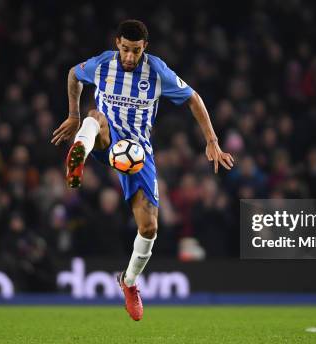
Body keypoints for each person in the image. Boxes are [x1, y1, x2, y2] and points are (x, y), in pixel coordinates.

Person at [51, 19, 234, 321]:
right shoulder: (102, 65)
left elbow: (193, 99)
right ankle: (79, 156)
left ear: (144, 47)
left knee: (149, 228)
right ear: (117, 44)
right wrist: (73, 114)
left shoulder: (157, 71)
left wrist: (212, 141)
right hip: (105, 140)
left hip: (138, 154)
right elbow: (74, 74)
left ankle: (129, 282)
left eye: (135, 51)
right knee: (95, 116)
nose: (129, 57)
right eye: (124, 49)